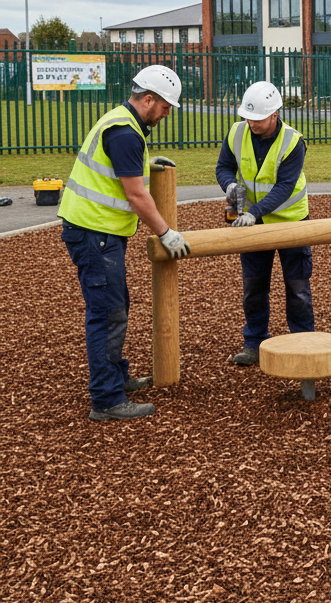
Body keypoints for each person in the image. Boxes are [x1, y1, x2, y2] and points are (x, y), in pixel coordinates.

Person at [59, 64, 191, 421]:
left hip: (97, 232)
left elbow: (120, 170)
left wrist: (145, 163)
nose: (165, 114)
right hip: (94, 233)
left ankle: (116, 377)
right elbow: (136, 196)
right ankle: (106, 399)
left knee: (116, 307)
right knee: (107, 314)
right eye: (165, 107)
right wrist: (166, 233)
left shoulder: (122, 123)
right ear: (148, 99)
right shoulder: (125, 133)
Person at [217, 81, 315, 365]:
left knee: (297, 288)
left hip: (291, 221)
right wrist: (230, 186)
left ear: (275, 114)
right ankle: (255, 342)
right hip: (253, 223)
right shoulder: (237, 132)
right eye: (248, 116)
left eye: (258, 118)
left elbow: (284, 187)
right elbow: (224, 167)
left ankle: (303, 343)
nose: (252, 122)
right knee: (254, 285)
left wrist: (254, 212)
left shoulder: (293, 142)